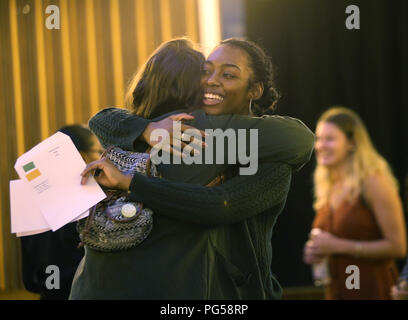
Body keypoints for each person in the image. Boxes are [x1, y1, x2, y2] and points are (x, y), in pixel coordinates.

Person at [70, 38, 314, 299]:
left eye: (228, 74)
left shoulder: (219, 137)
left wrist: (133, 178)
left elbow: (220, 204)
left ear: (255, 90)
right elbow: (102, 119)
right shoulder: (173, 132)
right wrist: (147, 129)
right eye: (206, 71)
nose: (211, 80)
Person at [303, 107, 406, 299]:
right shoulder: (328, 186)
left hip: (372, 290)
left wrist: (336, 245)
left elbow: (398, 246)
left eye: (330, 139)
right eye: (318, 138)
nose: (320, 145)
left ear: (352, 143)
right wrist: (315, 252)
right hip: (338, 292)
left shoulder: (374, 182)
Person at [21, 124, 103, 300]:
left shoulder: (29, 201)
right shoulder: (95, 202)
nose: (102, 157)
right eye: (98, 151)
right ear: (80, 156)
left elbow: (30, 278)